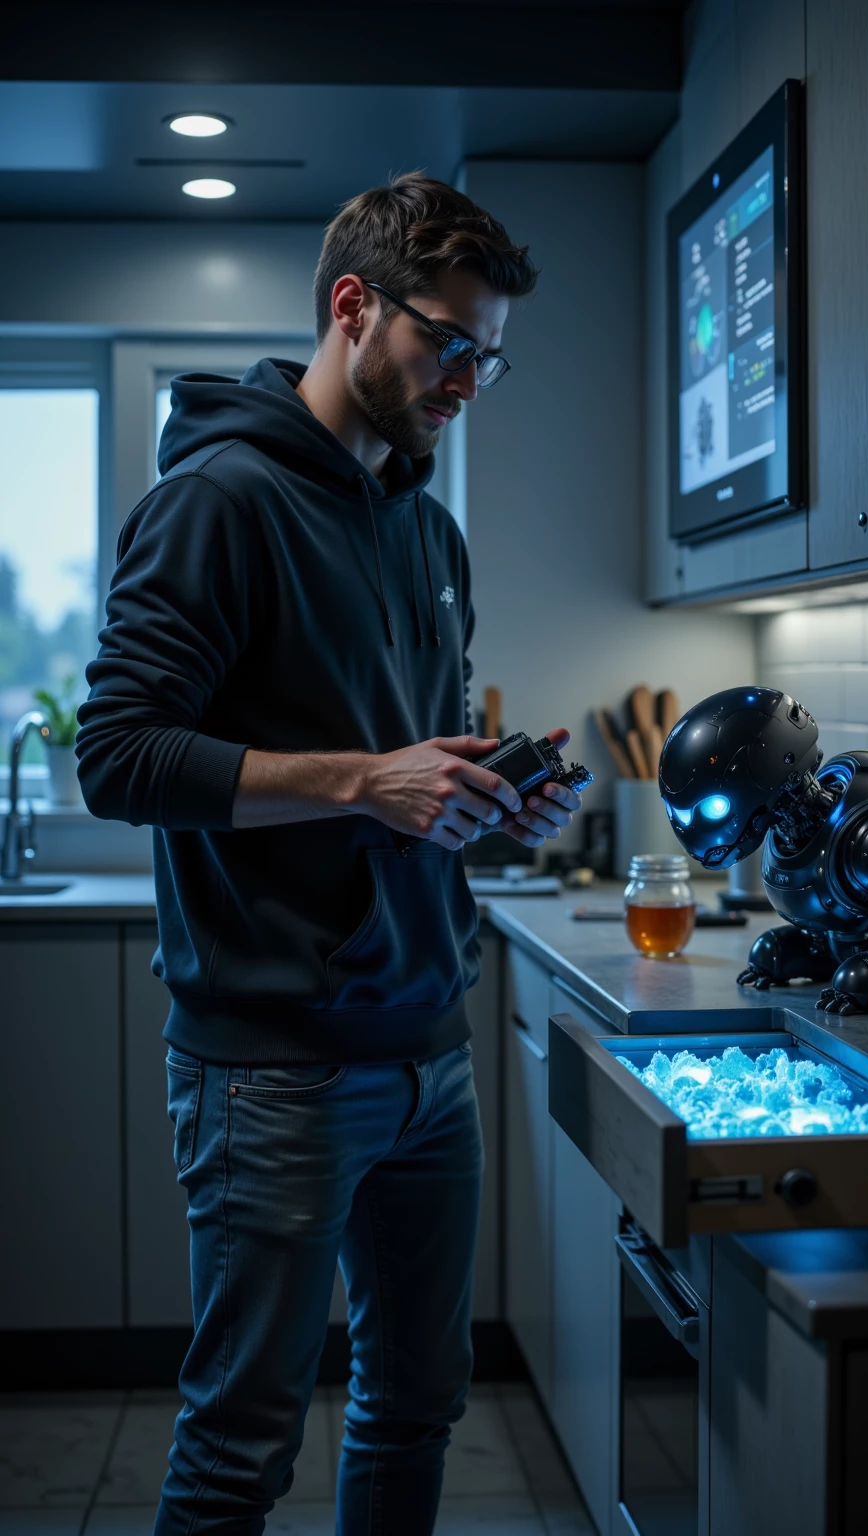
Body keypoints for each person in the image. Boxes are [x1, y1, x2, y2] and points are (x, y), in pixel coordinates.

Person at [76, 173, 583, 1536]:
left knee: (416, 1406)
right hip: (275, 1069)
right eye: (451, 343)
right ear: (354, 308)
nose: (471, 377)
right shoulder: (218, 504)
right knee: (242, 1448)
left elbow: (408, 769)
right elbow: (119, 759)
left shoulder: (429, 531)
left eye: (492, 354)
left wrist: (479, 797)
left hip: (429, 1045)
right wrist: (371, 780)